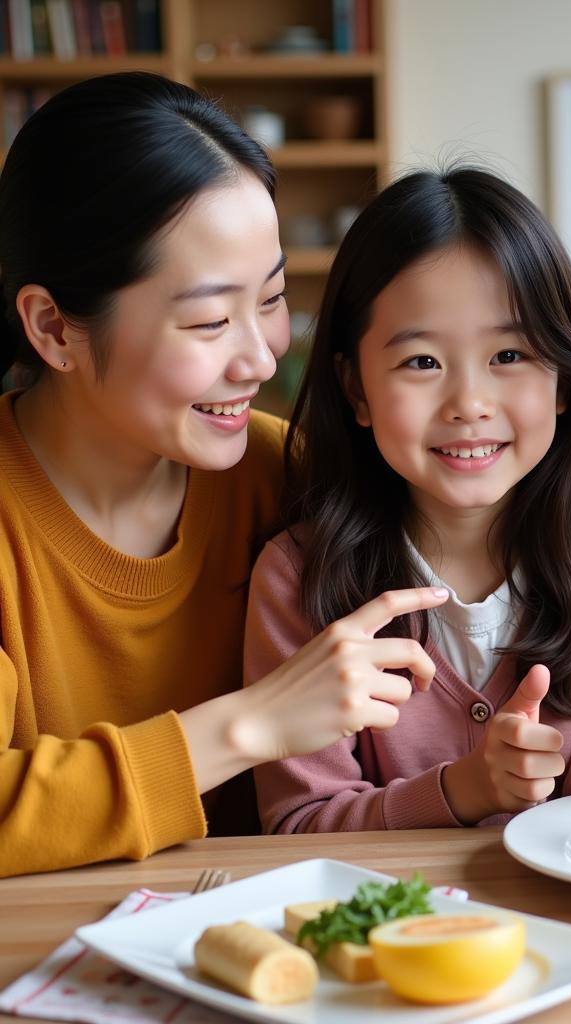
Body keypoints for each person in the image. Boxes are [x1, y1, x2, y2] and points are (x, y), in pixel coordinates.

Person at [0, 72, 449, 878]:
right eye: (208, 321)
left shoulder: (290, 478)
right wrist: (250, 725)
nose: (261, 354)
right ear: (52, 327)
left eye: (273, 299)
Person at [245, 166, 571, 832]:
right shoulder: (298, 576)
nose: (469, 404)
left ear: (563, 380)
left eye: (510, 355)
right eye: (421, 362)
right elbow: (296, 825)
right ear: (355, 387)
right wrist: (461, 791)